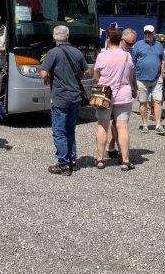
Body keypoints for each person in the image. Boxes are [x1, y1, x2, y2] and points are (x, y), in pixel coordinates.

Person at [40, 25, 87, 176]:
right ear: (68, 36)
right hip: (75, 97)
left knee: (59, 131)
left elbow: (43, 73)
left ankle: (63, 164)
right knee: (70, 129)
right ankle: (72, 160)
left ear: (54, 37)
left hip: (60, 97)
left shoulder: (53, 53)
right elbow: (86, 71)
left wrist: (47, 78)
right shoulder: (77, 52)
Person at [93, 27, 136, 171]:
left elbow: (96, 76)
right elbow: (130, 77)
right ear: (120, 40)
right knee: (122, 127)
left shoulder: (102, 56)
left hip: (105, 95)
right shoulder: (127, 56)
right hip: (124, 94)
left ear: (108, 39)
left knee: (102, 125)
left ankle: (100, 159)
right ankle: (125, 160)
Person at [105, 28, 138, 159]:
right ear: (121, 40)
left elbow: (132, 71)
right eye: (129, 43)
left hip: (125, 91)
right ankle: (120, 150)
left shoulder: (130, 52)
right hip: (112, 92)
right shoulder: (112, 51)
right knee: (117, 123)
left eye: (133, 43)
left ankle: (112, 146)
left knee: (121, 122)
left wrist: (134, 87)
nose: (131, 46)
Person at [132, 25, 165, 135]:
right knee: (143, 102)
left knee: (158, 101)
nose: (147, 35)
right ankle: (145, 124)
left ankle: (158, 125)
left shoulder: (159, 46)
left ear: (154, 34)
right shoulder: (138, 45)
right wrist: (133, 78)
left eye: (149, 33)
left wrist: (162, 74)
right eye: (146, 33)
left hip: (156, 79)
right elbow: (133, 61)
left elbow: (162, 60)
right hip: (141, 78)